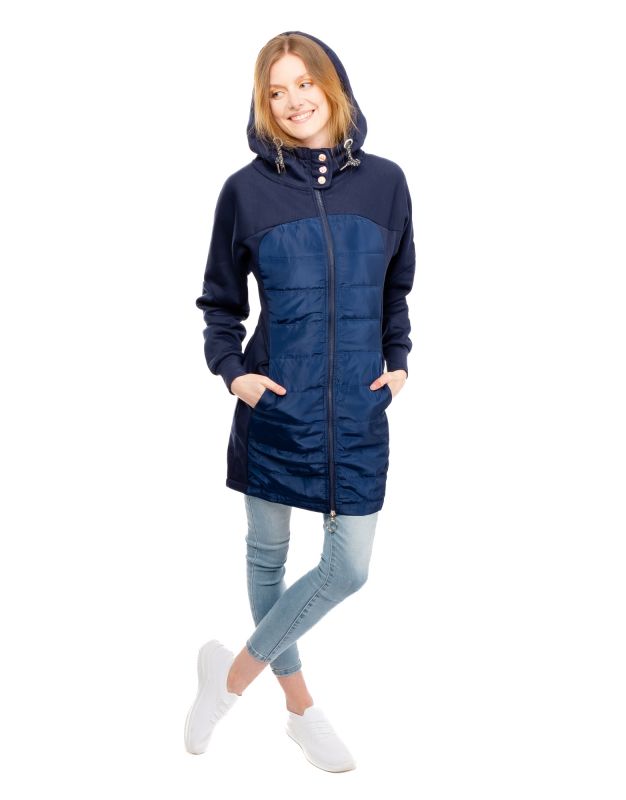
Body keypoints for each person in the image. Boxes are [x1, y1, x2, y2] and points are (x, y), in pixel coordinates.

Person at [185, 31, 416, 772]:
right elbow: (220, 303)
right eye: (275, 91)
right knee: (268, 559)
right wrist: (233, 373)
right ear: (263, 103)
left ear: (332, 84)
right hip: (275, 408)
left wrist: (399, 362)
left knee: (349, 568)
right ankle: (300, 708)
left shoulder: (386, 183)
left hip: (358, 412)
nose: (292, 101)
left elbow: (396, 289)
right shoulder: (244, 191)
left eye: (304, 83)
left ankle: (228, 680)